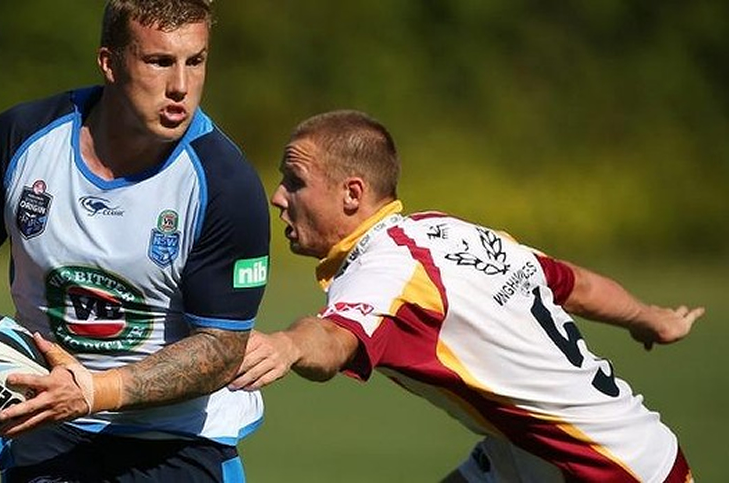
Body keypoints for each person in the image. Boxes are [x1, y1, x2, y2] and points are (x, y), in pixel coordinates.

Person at [230, 109, 704, 482]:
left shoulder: (385, 269)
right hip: (539, 453)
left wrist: (288, 345)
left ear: (352, 194)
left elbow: (334, 338)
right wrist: (649, 318)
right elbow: (574, 286)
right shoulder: (448, 231)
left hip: (604, 469)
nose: (278, 197)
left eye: (296, 181)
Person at [0, 1, 270, 481]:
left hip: (179, 444)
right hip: (48, 436)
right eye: (159, 61)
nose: (181, 88)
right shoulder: (22, 137)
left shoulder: (225, 184)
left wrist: (91, 392)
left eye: (196, 61)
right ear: (109, 62)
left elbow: (221, 348)